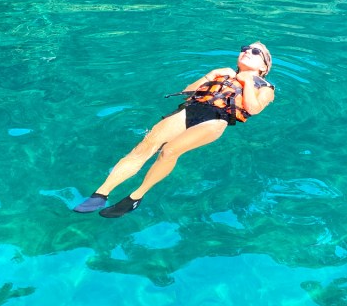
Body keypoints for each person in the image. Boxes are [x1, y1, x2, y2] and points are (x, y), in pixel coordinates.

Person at [72, 43, 276, 218]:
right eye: (245, 48)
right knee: (145, 146)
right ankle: (101, 194)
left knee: (169, 151)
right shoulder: (222, 74)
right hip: (190, 110)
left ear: (264, 67)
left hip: (216, 120)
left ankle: (136, 196)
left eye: (256, 52)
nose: (247, 51)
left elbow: (253, 109)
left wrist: (247, 82)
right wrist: (212, 75)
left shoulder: (265, 87)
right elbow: (188, 92)